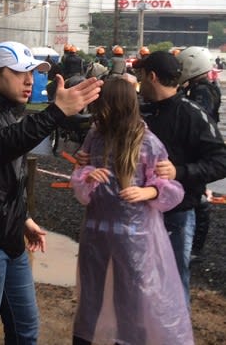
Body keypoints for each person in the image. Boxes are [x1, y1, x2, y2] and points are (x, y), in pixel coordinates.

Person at [0, 41, 102, 344]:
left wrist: (22, 217)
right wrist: (56, 112)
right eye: (19, 73)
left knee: (26, 330)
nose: (30, 80)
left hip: (6, 233)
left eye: (33, 73)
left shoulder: (7, 109)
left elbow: (1, 173)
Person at [70, 77, 193, 345]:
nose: (98, 113)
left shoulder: (147, 142)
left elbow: (169, 187)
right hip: (97, 232)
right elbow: (79, 178)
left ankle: (127, 340)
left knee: (131, 298)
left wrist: (147, 191)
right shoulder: (96, 136)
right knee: (91, 296)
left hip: (134, 236)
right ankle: (85, 339)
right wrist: (88, 174)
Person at [127, 51, 226, 305]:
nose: (138, 82)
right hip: (139, 211)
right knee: (138, 279)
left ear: (152, 77)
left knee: (172, 280)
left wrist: (179, 172)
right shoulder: (142, 111)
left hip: (176, 215)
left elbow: (220, 161)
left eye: (141, 75)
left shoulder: (192, 114)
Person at [177, 47, 222, 260]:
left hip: (199, 146)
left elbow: (198, 116)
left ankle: (196, 248)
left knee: (199, 196)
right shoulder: (202, 87)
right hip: (201, 144)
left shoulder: (201, 90)